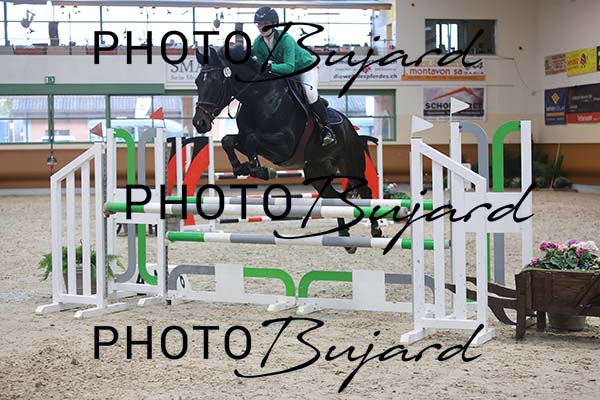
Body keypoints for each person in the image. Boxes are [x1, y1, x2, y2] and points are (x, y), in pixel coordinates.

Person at [252, 6, 336, 147]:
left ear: (274, 24)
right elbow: (262, 67)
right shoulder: (257, 43)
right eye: (259, 24)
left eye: (265, 23)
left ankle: (328, 129)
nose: (262, 27)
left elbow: (289, 67)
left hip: (305, 67)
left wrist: (270, 67)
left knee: (309, 93)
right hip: (283, 70)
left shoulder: (285, 39)